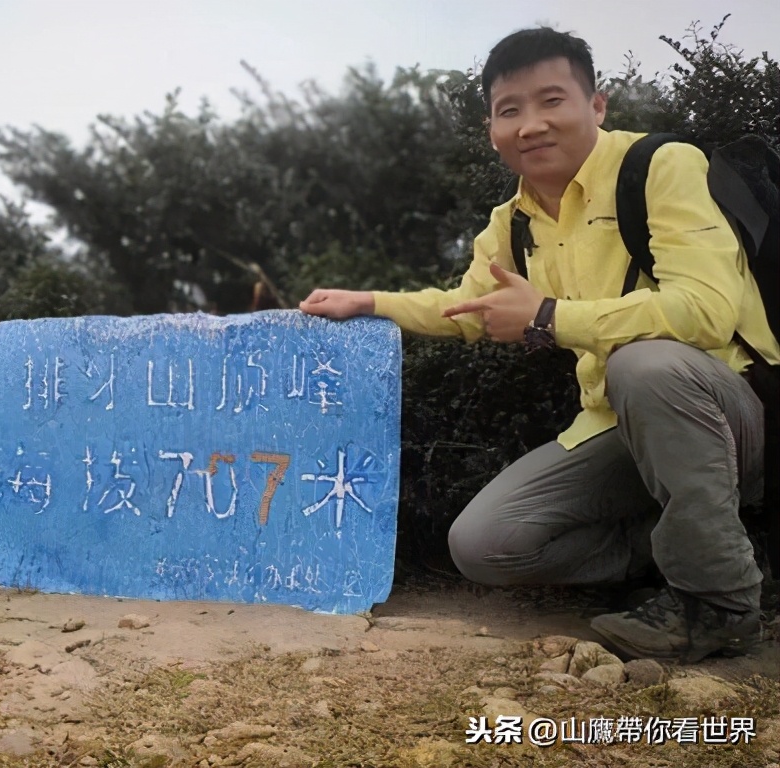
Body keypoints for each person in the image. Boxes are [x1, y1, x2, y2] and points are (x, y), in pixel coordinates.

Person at [299, 26, 779, 663]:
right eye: (509, 110)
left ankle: (719, 601)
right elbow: (468, 307)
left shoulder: (662, 166)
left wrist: (549, 316)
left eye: (552, 101)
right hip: (616, 423)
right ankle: (707, 548)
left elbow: (707, 312)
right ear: (491, 127)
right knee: (484, 543)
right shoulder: (513, 221)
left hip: (727, 413)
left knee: (646, 363)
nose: (531, 125)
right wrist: (369, 303)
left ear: (597, 105)